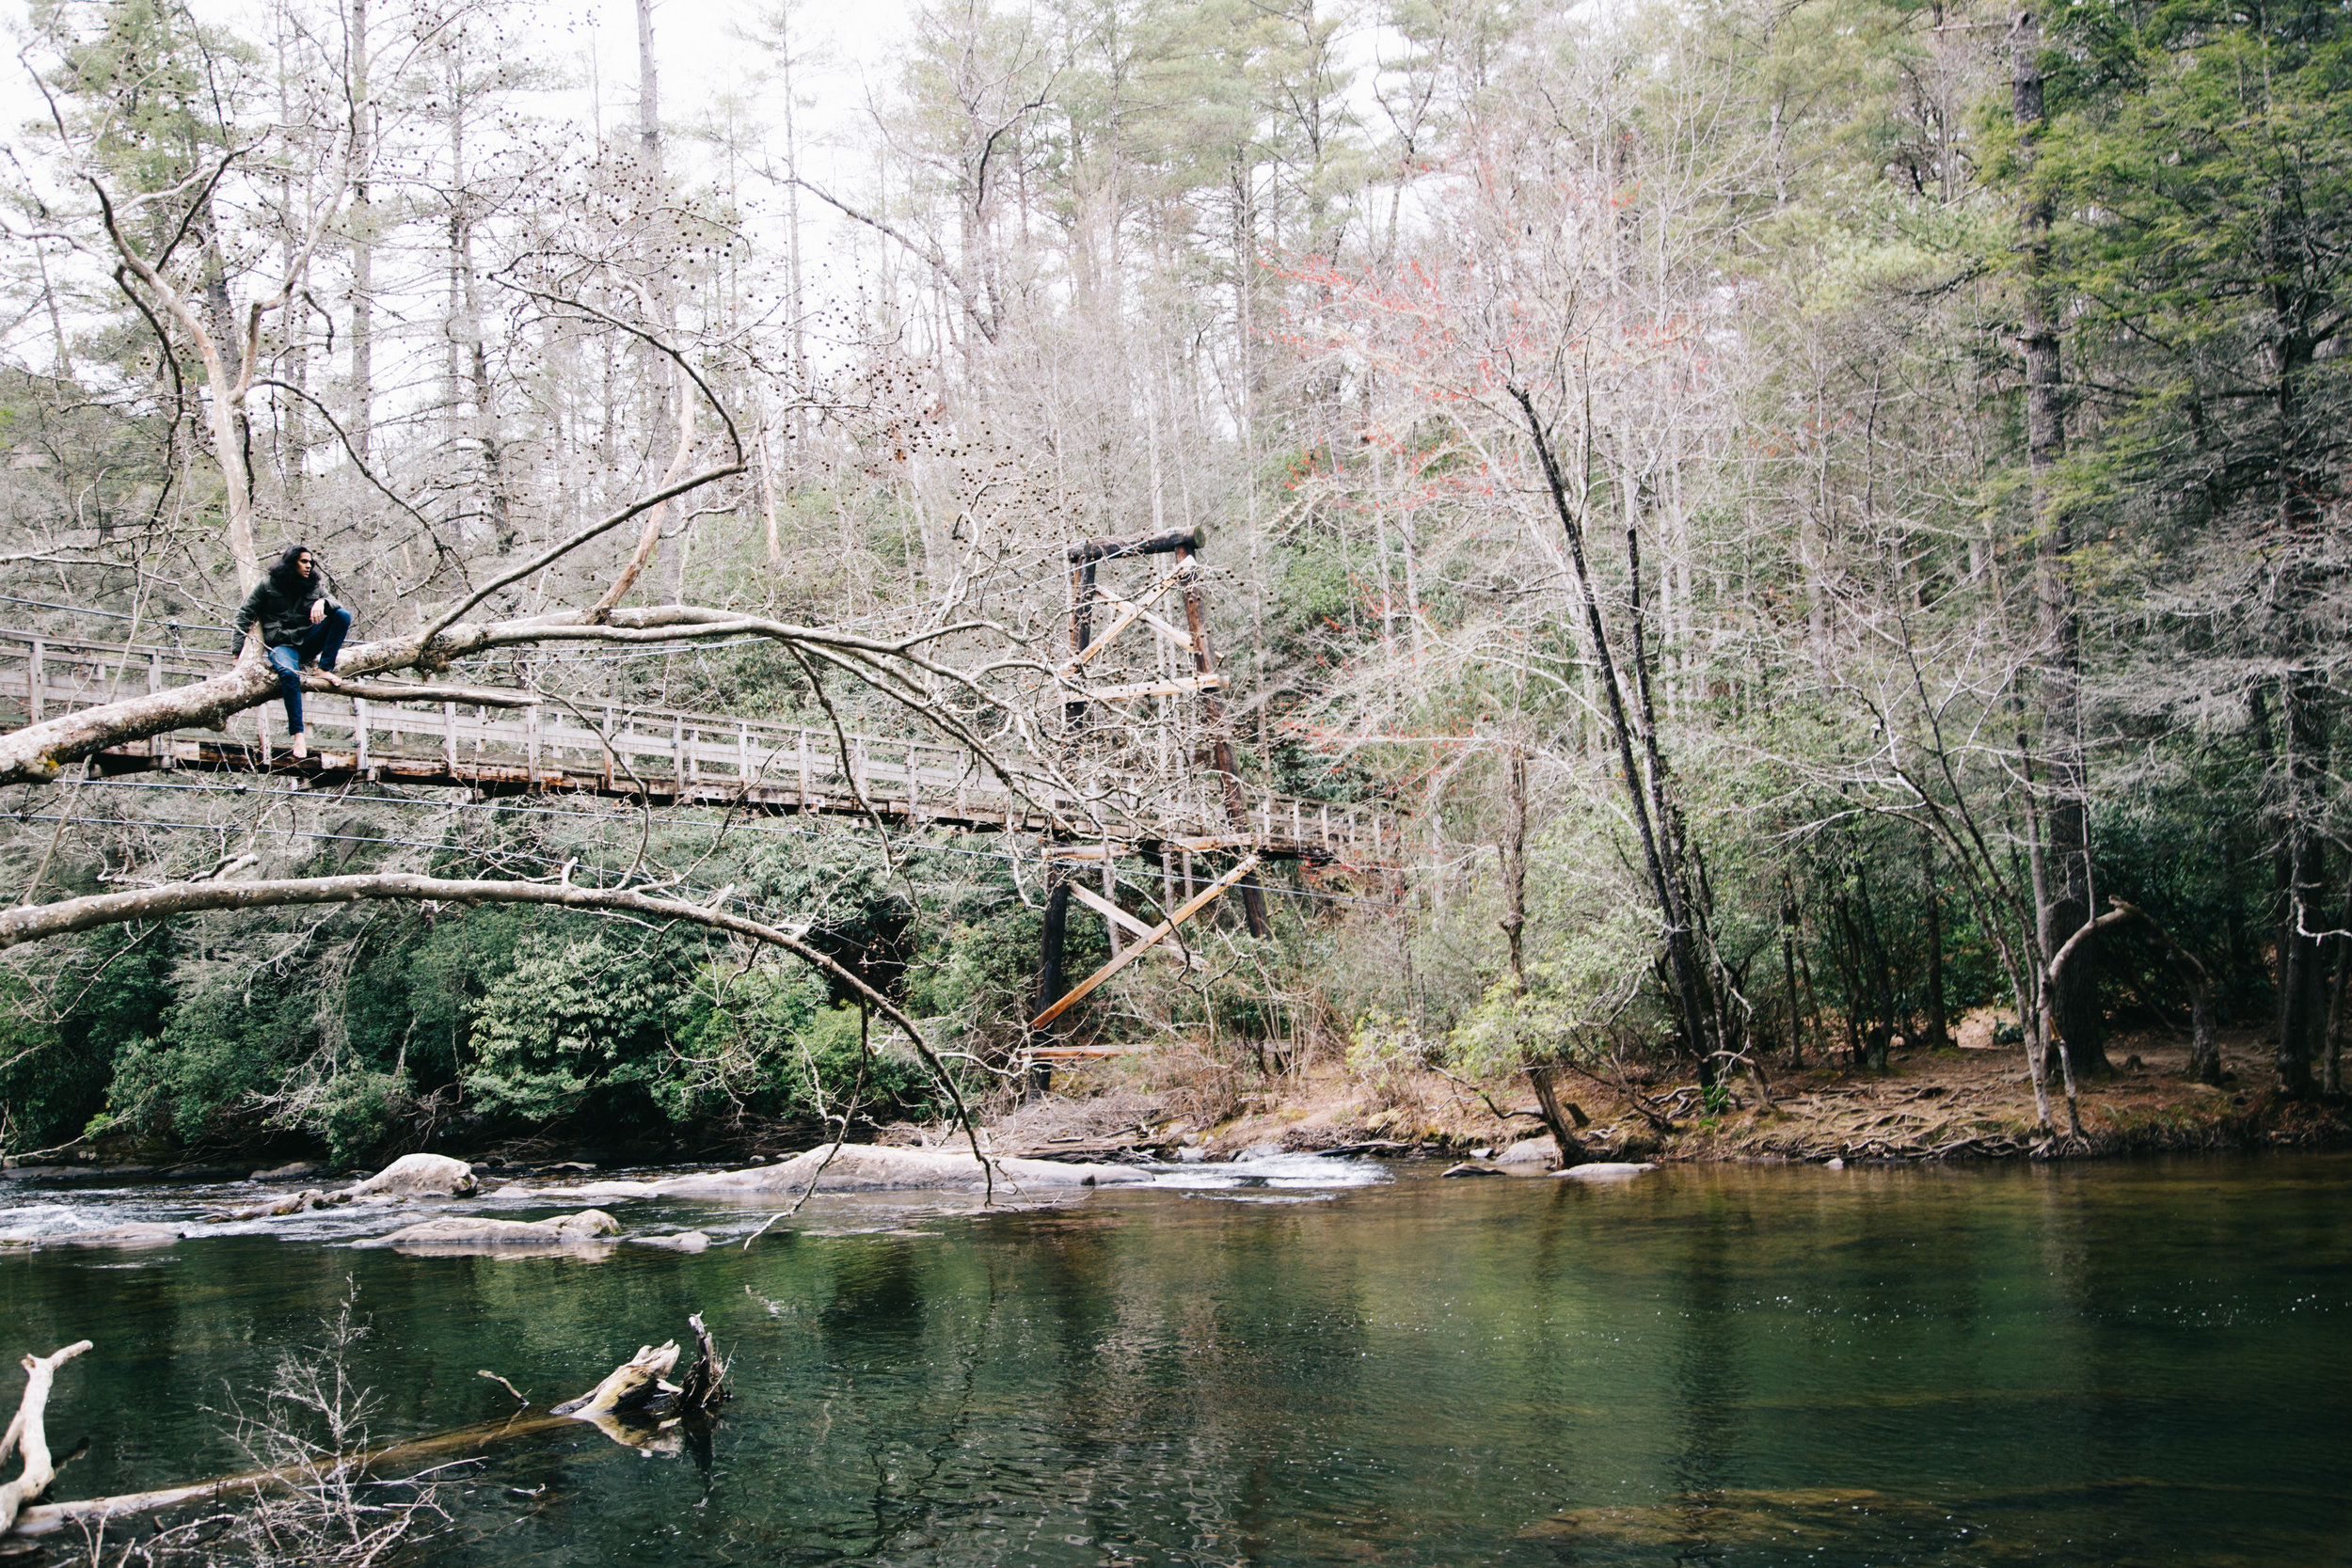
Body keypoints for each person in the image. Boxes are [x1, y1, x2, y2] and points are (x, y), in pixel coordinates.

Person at [233, 543, 352, 761]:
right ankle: (298, 735)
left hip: (307, 641)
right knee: (289, 675)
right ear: (292, 562)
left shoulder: (314, 585)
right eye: (304, 561)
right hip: (282, 646)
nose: (309, 566)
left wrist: (324, 602)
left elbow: (337, 604)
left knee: (342, 615)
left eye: (311, 562)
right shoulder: (268, 584)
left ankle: (324, 668)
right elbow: (244, 614)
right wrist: (236, 654)